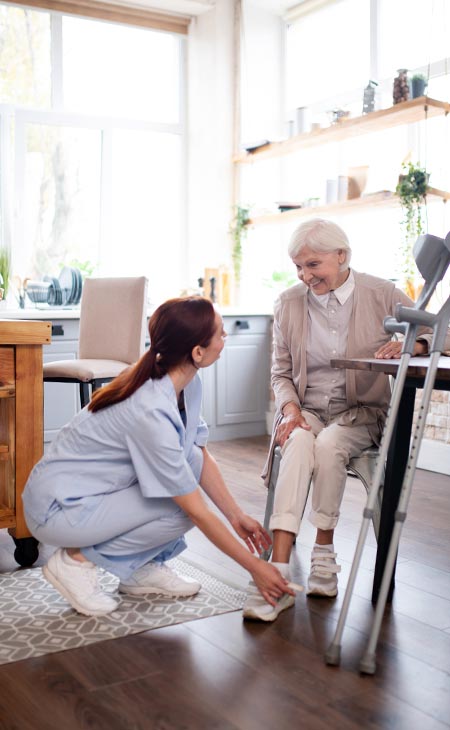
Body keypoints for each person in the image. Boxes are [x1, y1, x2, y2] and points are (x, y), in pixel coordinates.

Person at [23, 296, 293, 617]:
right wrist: (255, 568)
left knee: (188, 462)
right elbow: (198, 513)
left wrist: (236, 516)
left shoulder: (185, 384)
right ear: (197, 352)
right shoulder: (149, 408)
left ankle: (139, 569)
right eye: (220, 334)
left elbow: (198, 452)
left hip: (92, 494)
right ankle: (75, 562)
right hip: (57, 509)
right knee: (182, 509)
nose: (225, 340)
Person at [243, 218, 450, 622]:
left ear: (342, 256)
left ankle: (323, 551)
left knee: (328, 444)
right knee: (301, 441)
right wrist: (290, 411)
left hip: (361, 413)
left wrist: (419, 341)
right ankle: (278, 572)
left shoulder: (382, 293)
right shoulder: (287, 303)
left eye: (313, 265)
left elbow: (444, 329)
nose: (305, 276)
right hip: (307, 411)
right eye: (298, 267)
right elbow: (280, 373)